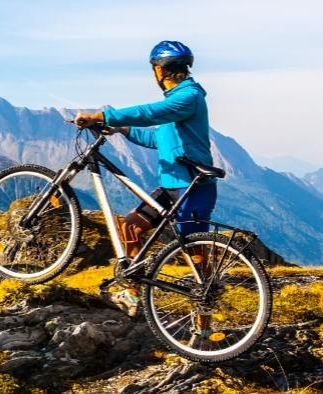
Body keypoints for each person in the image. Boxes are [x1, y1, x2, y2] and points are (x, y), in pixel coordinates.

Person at [75, 40, 218, 316]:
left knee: (195, 253)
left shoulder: (187, 97)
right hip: (171, 186)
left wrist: (104, 116)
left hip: (192, 187)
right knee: (130, 227)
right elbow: (158, 138)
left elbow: (151, 113)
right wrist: (124, 130)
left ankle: (206, 314)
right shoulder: (177, 101)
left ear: (160, 70)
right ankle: (131, 294)